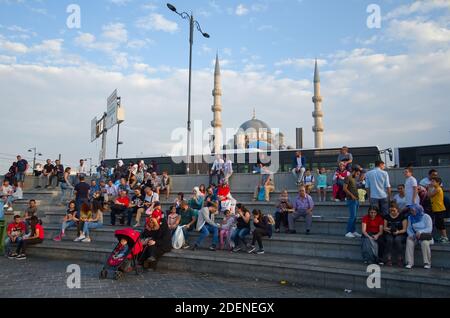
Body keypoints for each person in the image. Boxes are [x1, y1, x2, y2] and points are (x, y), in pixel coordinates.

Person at [405, 204, 433, 269]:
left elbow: (429, 229)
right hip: (415, 236)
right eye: (411, 210)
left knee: (424, 243)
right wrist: (411, 235)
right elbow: (409, 228)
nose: (411, 212)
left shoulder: (426, 217)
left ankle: (427, 263)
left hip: (424, 236)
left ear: (418, 210)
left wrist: (420, 232)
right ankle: (409, 262)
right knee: (409, 240)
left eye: (413, 210)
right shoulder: (410, 217)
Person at [428, 177, 449, 244]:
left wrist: (429, 187)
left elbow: (429, 195)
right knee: (438, 224)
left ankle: (445, 237)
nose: (431, 182)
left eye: (433, 181)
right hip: (436, 209)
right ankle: (443, 236)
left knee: (441, 224)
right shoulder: (435, 188)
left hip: (439, 209)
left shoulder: (438, 189)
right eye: (431, 181)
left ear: (438, 183)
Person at [343, 168, 362, 238]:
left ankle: (353, 231)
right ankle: (348, 232)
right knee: (352, 216)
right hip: (351, 199)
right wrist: (352, 195)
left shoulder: (354, 179)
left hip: (356, 199)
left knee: (355, 217)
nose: (357, 175)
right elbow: (344, 188)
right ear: (354, 171)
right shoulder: (347, 177)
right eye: (357, 174)